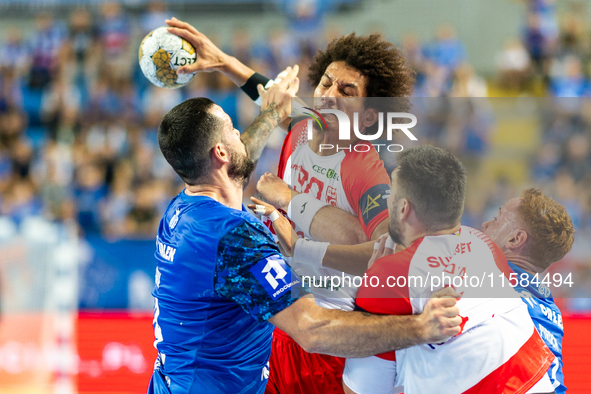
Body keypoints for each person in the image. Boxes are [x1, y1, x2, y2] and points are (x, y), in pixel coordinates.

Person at [148, 80, 463, 393]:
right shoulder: (235, 237)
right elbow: (312, 329)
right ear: (220, 153)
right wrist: (420, 328)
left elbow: (234, 162)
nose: (239, 135)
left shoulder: (183, 209)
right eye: (232, 129)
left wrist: (272, 113)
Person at [165, 17, 414, 393]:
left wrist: (294, 208)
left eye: (347, 90)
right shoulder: (304, 126)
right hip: (281, 320)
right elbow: (270, 98)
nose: (330, 94)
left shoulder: (364, 168)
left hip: (328, 334)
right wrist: (223, 62)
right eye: (326, 82)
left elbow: (388, 254)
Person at [255, 145, 558, 393]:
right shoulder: (486, 246)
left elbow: (361, 391)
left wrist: (373, 290)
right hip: (538, 380)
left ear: (403, 209)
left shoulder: (386, 281)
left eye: (391, 197)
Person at [481, 188, 573, 394]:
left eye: (497, 218)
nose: (484, 224)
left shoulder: (488, 282)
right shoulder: (550, 308)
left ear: (515, 240)